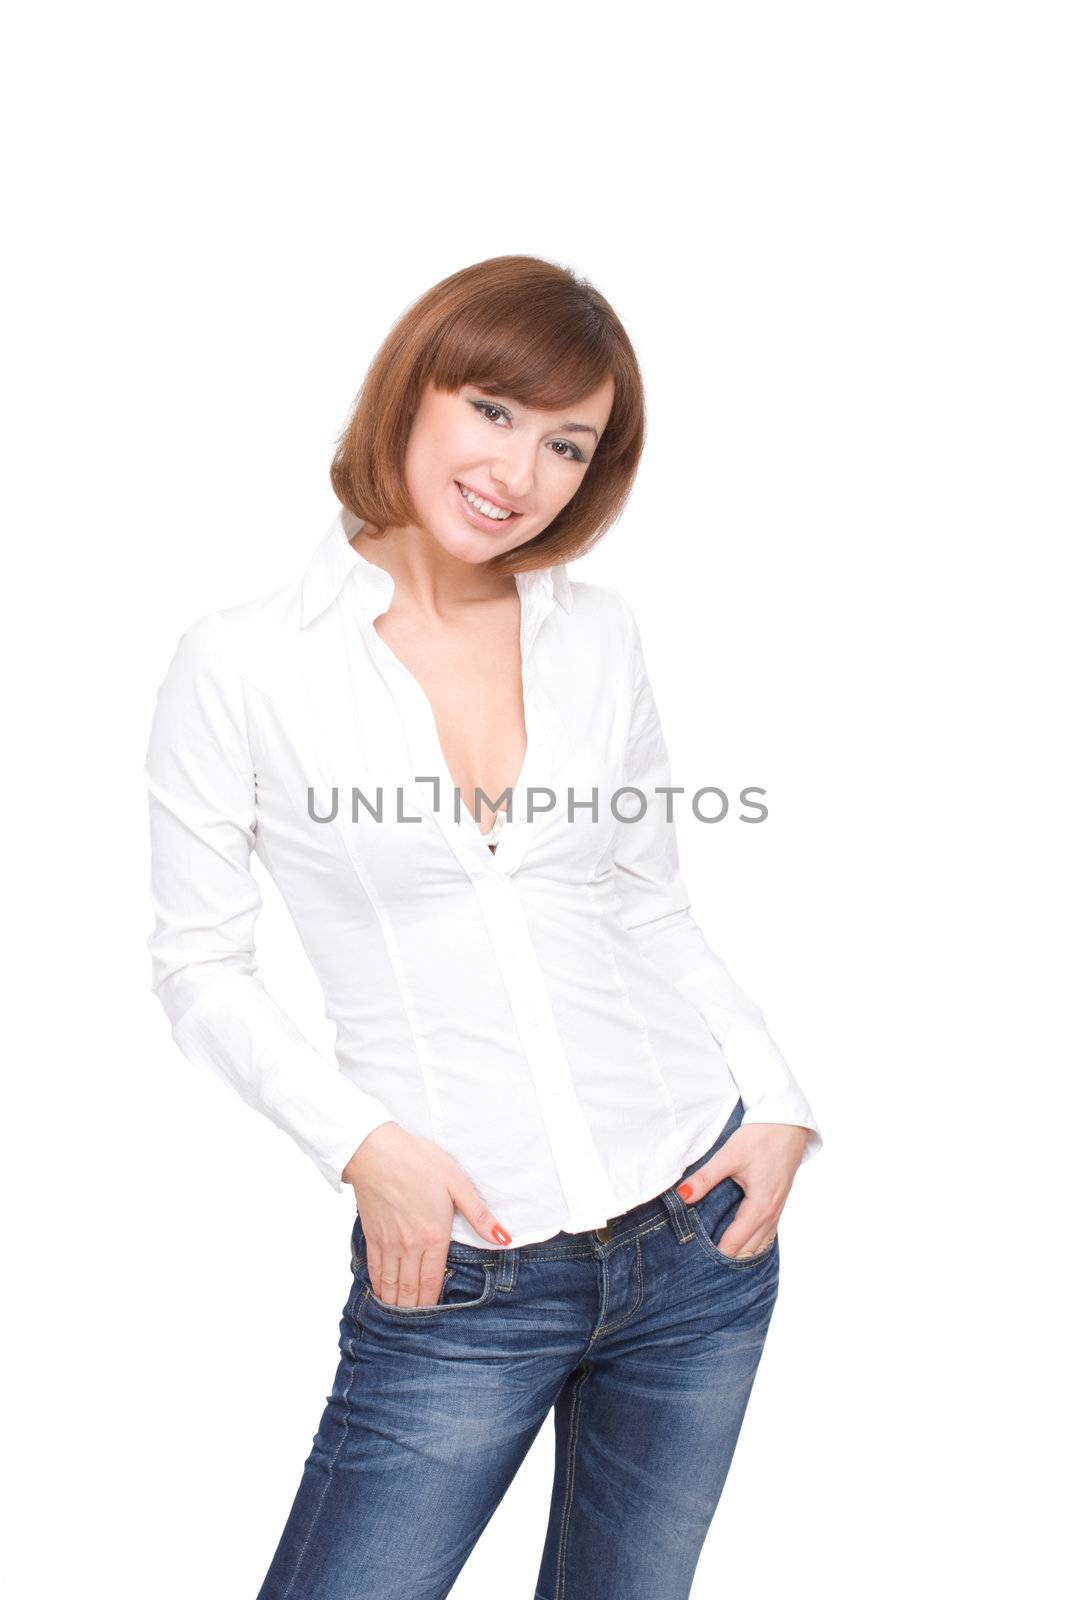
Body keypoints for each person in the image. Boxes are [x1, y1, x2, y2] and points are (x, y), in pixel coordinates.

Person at [144, 254, 823, 1600]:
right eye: (495, 410)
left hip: (696, 1240)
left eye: (568, 443)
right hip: (462, 1273)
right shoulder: (245, 661)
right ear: (418, 390)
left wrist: (782, 1101)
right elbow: (197, 963)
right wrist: (365, 1146)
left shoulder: (600, 636)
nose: (520, 471)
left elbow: (644, 898)